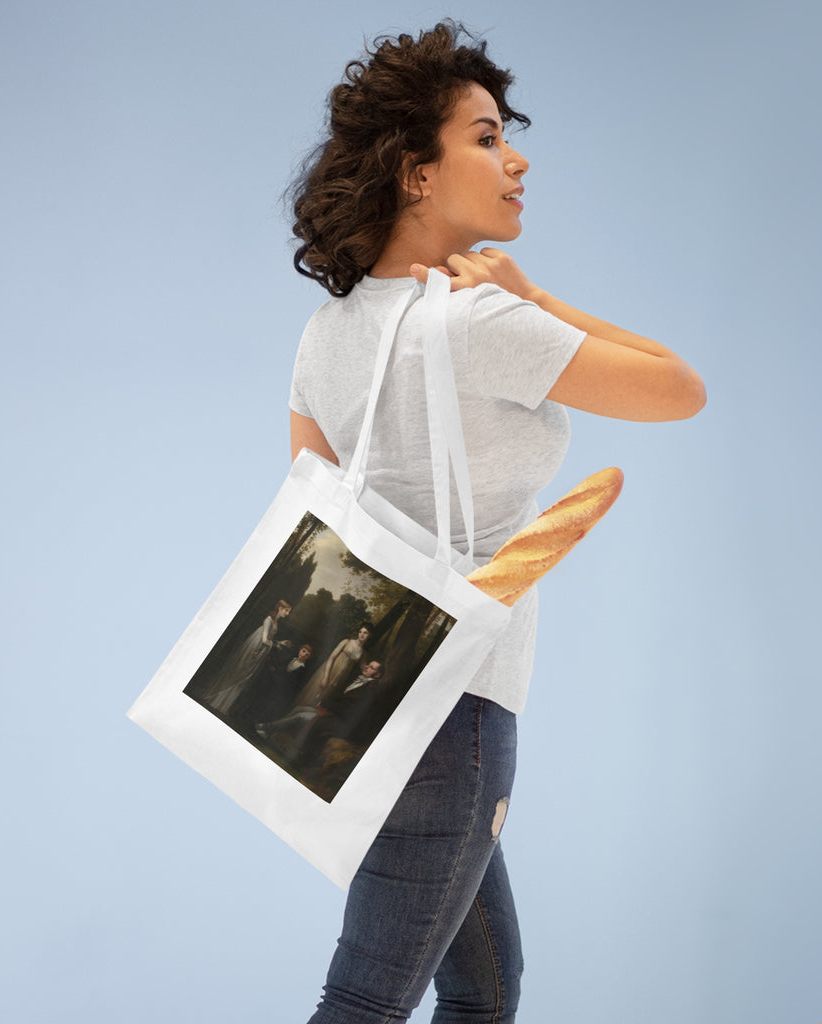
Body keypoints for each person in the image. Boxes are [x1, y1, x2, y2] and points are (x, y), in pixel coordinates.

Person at [287, 20, 705, 1023]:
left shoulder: (327, 329)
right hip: (457, 702)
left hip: (361, 700)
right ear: (415, 173)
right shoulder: (478, 319)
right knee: (366, 998)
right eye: (483, 136)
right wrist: (540, 299)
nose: (514, 158)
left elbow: (312, 509)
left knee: (482, 983)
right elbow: (680, 389)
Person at [206, 599, 291, 715]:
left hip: (261, 649)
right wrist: (276, 644)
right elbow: (265, 639)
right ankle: (217, 700)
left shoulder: (276, 621)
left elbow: (269, 640)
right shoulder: (269, 620)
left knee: (245, 675)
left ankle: (224, 705)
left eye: (288, 612)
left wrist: (281, 643)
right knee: (241, 672)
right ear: (280, 608)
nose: (287, 614)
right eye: (286, 610)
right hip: (255, 646)